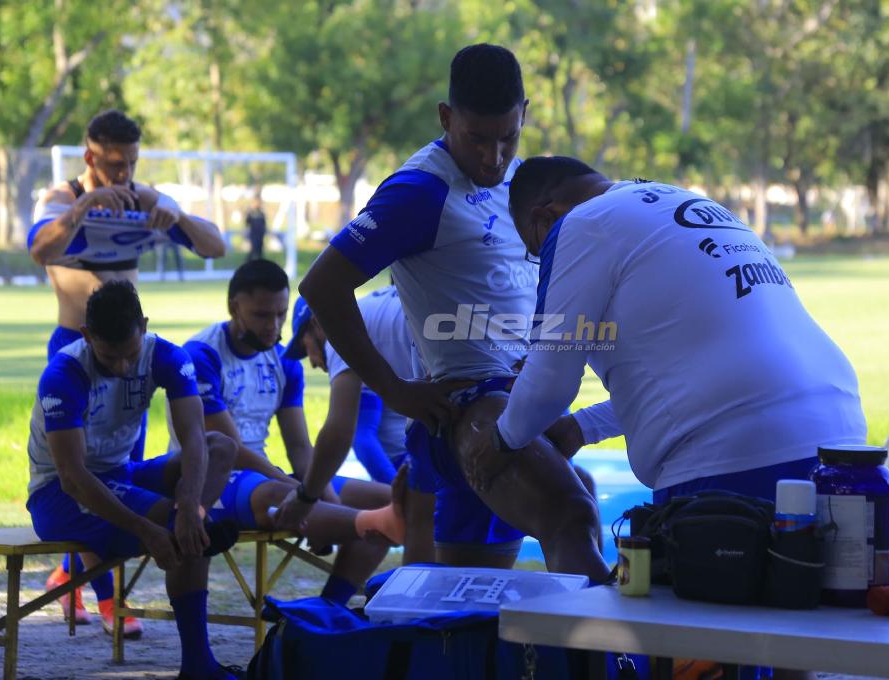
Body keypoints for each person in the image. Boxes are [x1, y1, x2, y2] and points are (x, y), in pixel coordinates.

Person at [296, 44, 606, 579]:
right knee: (572, 513)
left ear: (525, 114)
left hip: (518, 402)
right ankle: (609, 662)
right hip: (473, 411)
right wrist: (393, 389)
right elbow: (321, 286)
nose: (493, 156)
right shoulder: (418, 191)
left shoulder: (519, 179)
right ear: (446, 117)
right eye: (477, 139)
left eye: (507, 137)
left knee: (464, 602)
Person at [489, 155, 867, 507]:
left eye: (535, 250)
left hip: (732, 455)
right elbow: (692, 376)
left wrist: (495, 445)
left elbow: (548, 384)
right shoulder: (684, 203)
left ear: (544, 219)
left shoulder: (581, 224)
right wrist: (582, 428)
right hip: (845, 440)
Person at [29, 110, 224, 632]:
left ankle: (77, 573)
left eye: (132, 163)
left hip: (131, 350)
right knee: (86, 471)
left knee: (120, 472)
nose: (124, 175)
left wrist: (175, 216)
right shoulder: (62, 198)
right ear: (91, 157)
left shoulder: (144, 197)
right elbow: (38, 249)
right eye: (114, 164)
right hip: (76, 344)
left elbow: (215, 245)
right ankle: (110, 601)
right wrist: (83, 208)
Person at [27, 280, 243, 680]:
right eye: (109, 356)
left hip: (120, 474)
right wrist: (149, 528)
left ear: (144, 326)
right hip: (56, 494)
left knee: (220, 449)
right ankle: (199, 667)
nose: (123, 367)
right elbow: (72, 477)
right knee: (177, 528)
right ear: (87, 336)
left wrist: (191, 507)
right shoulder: (63, 375)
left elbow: (195, 437)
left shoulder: (167, 356)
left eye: (130, 354)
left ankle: (196, 524)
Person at [175, 259, 395, 603]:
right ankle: (373, 529)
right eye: (263, 315)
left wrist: (320, 495)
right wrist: (299, 489)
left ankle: (329, 608)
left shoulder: (285, 361)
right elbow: (228, 447)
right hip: (211, 478)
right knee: (284, 495)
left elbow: (301, 448)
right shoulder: (200, 354)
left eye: (280, 314)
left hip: (262, 477)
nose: (273, 325)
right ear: (235, 307)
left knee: (388, 500)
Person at [278, 287, 437, 564]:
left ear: (317, 323)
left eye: (307, 348)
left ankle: (418, 603)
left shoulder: (340, 328)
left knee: (422, 516)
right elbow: (374, 432)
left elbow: (348, 434)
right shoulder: (375, 322)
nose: (314, 363)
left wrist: (307, 496)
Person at [244, 194, 267, 261]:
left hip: (260, 234)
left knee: (259, 250)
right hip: (254, 234)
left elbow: (264, 222)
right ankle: (249, 262)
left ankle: (260, 263)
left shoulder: (261, 212)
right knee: (253, 249)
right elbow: (247, 222)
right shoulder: (251, 212)